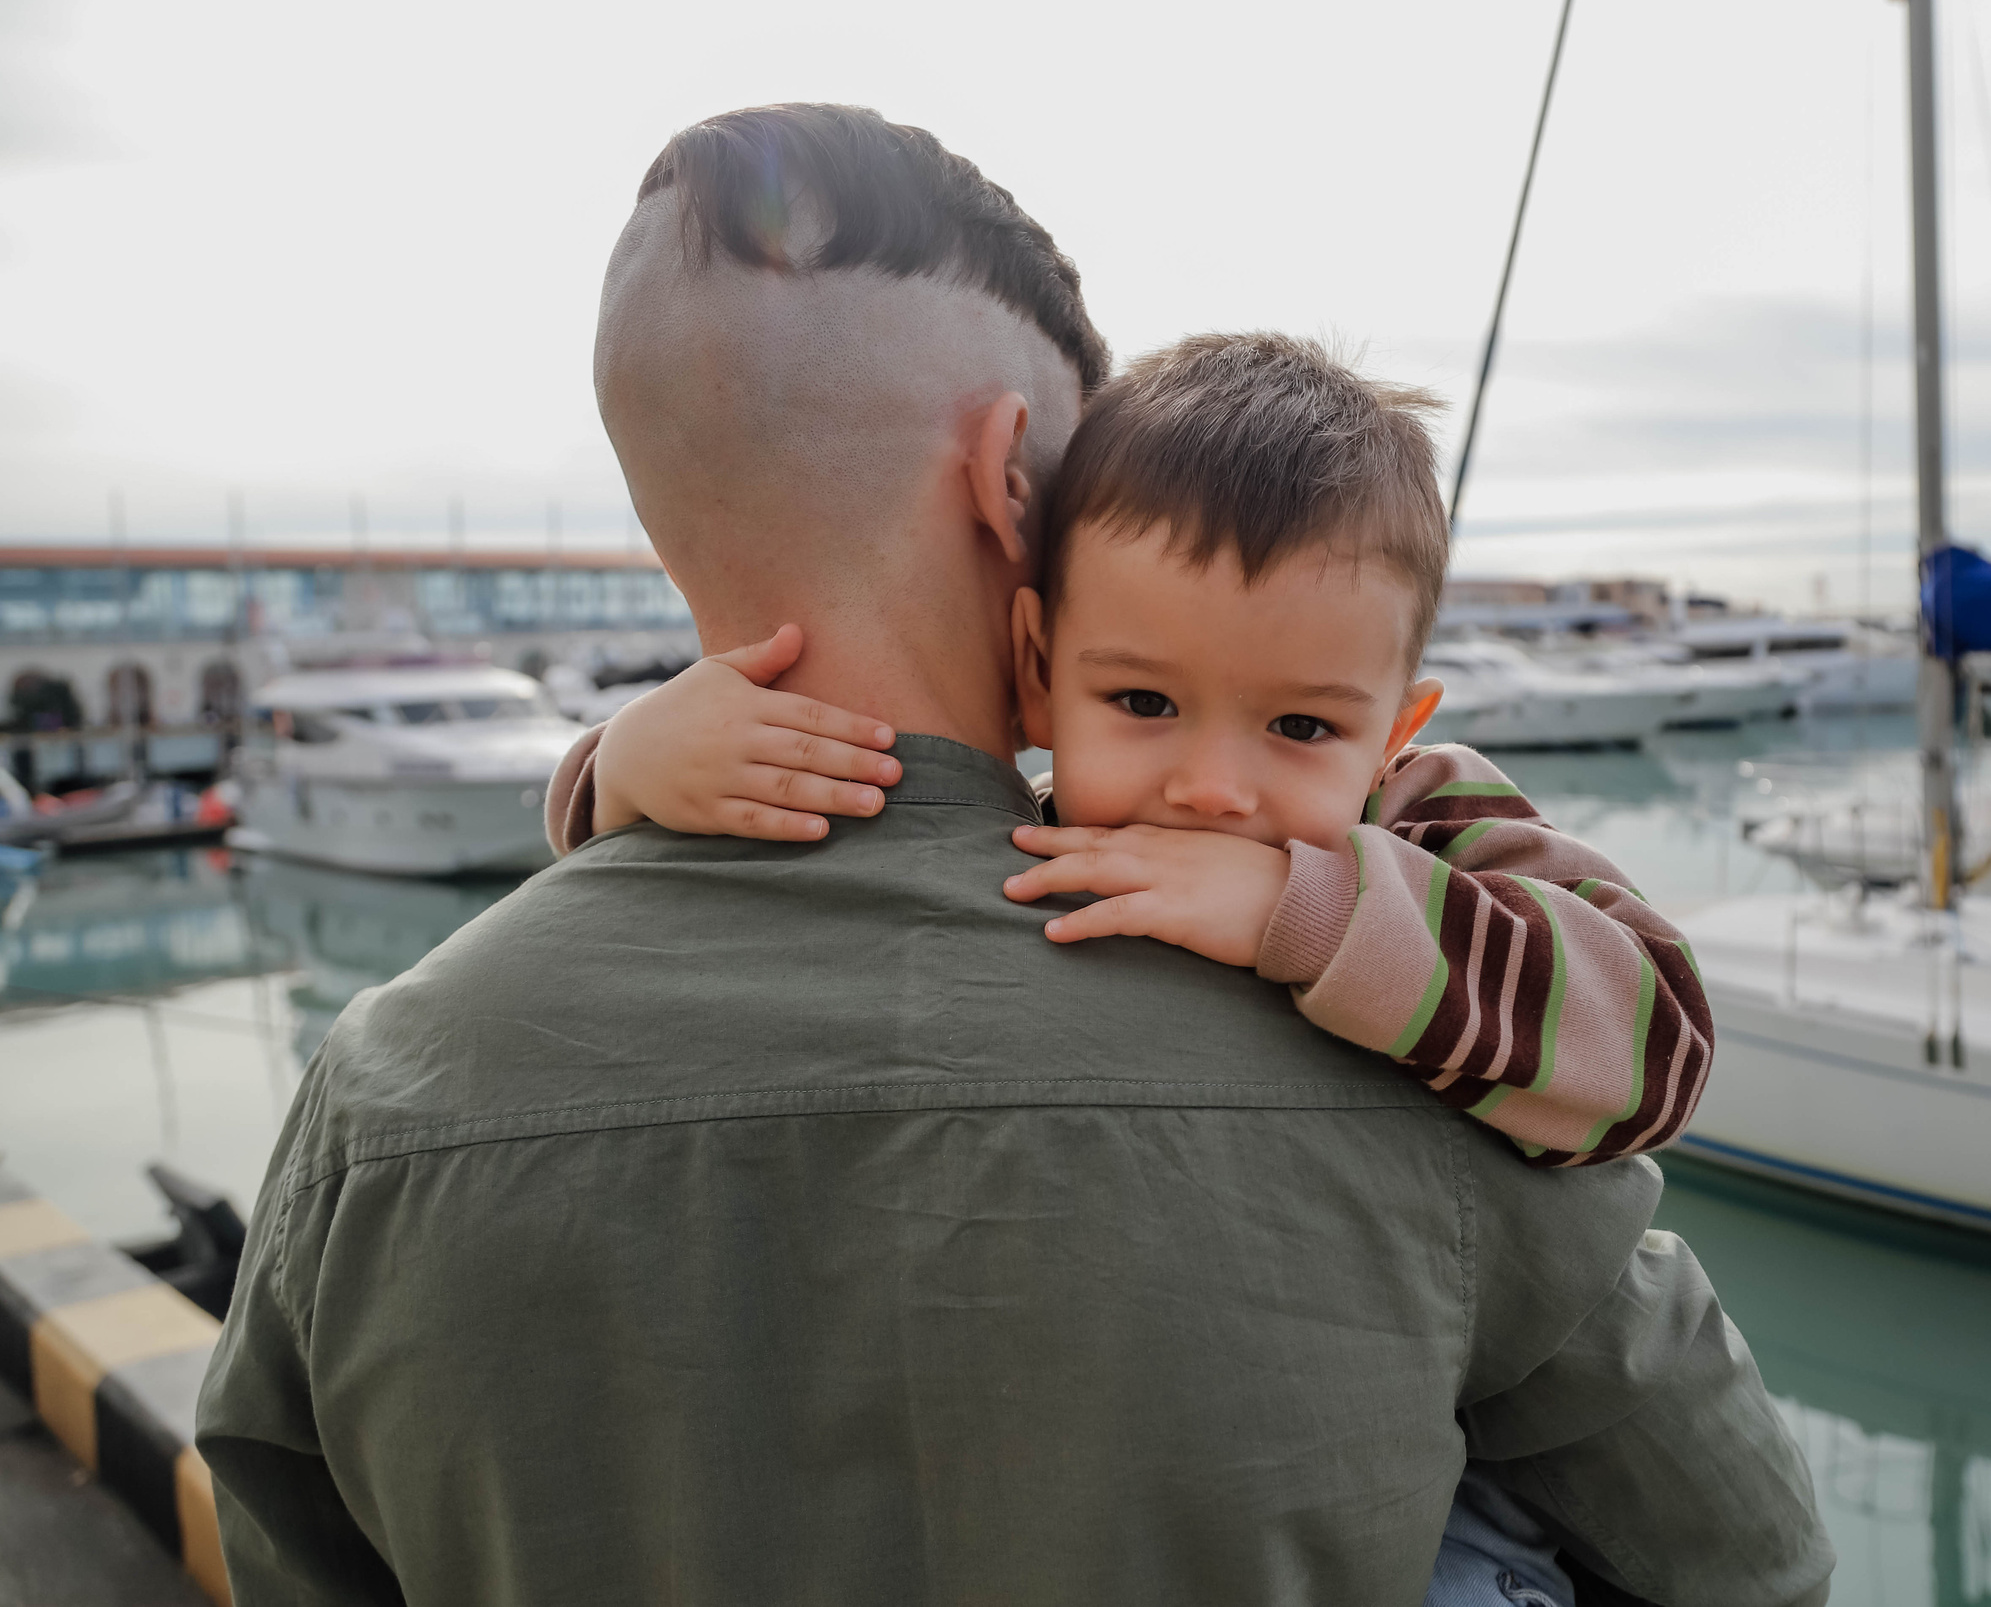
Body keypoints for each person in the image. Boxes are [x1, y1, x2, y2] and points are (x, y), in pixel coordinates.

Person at [196, 103, 1832, 1606]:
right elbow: (1751, 1556)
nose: (1216, 791)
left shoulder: (380, 1092)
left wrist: (615, 771)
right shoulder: (1414, 1046)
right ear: (1010, 485)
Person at [550, 330, 1733, 1607]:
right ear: (1041, 671)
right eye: (1145, 705)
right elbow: (794, 793)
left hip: (1450, 1499)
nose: (1213, 787)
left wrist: (1309, 907)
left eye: (1299, 726)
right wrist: (616, 771)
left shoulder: (1425, 814)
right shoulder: (1019, 810)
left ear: (1392, 729)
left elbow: (1657, 1046)